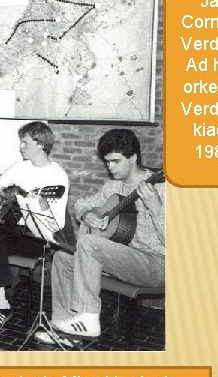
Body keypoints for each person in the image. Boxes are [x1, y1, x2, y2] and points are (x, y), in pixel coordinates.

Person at [35, 128, 165, 345]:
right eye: (107, 162)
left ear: (133, 157)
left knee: (88, 243)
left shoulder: (161, 188)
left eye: (115, 161)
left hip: (157, 264)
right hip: (125, 258)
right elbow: (82, 203)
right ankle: (66, 331)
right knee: (62, 258)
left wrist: (156, 207)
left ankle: (88, 317)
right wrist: (87, 214)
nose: (110, 167)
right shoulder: (113, 186)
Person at [0, 121, 69, 335]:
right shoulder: (20, 168)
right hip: (15, 232)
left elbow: (58, 224)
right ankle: (0, 303)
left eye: (25, 143)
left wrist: (42, 207)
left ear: (40, 144)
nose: (21, 147)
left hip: (38, 239)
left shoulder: (57, 177)